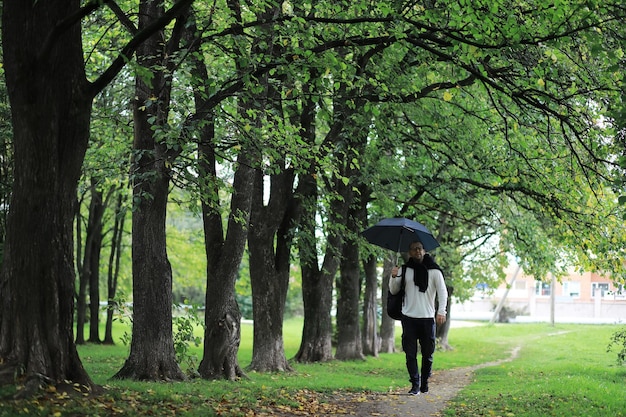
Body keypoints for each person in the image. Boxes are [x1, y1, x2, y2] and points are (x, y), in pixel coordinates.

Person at [389, 241, 448, 395]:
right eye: (414, 249)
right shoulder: (404, 269)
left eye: (420, 248)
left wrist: (442, 311)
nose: (417, 251)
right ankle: (415, 384)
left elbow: (443, 292)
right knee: (410, 354)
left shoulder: (435, 271)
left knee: (428, 355)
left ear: (424, 250)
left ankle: (424, 382)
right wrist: (393, 277)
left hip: (428, 318)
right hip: (409, 317)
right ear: (409, 252)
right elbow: (394, 290)